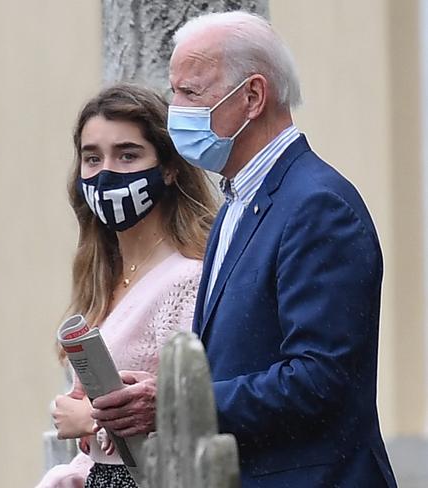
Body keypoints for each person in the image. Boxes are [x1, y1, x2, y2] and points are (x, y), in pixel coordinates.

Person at [90, 11, 398, 488]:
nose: (176, 110)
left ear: (252, 96)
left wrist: (174, 402)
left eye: (190, 93)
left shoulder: (316, 205)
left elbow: (320, 380)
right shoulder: (239, 199)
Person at [36, 84, 217, 488]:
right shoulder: (103, 278)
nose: (107, 172)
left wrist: (90, 419)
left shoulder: (187, 280)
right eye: (92, 158)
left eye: (128, 154)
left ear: (169, 168)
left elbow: (191, 411)